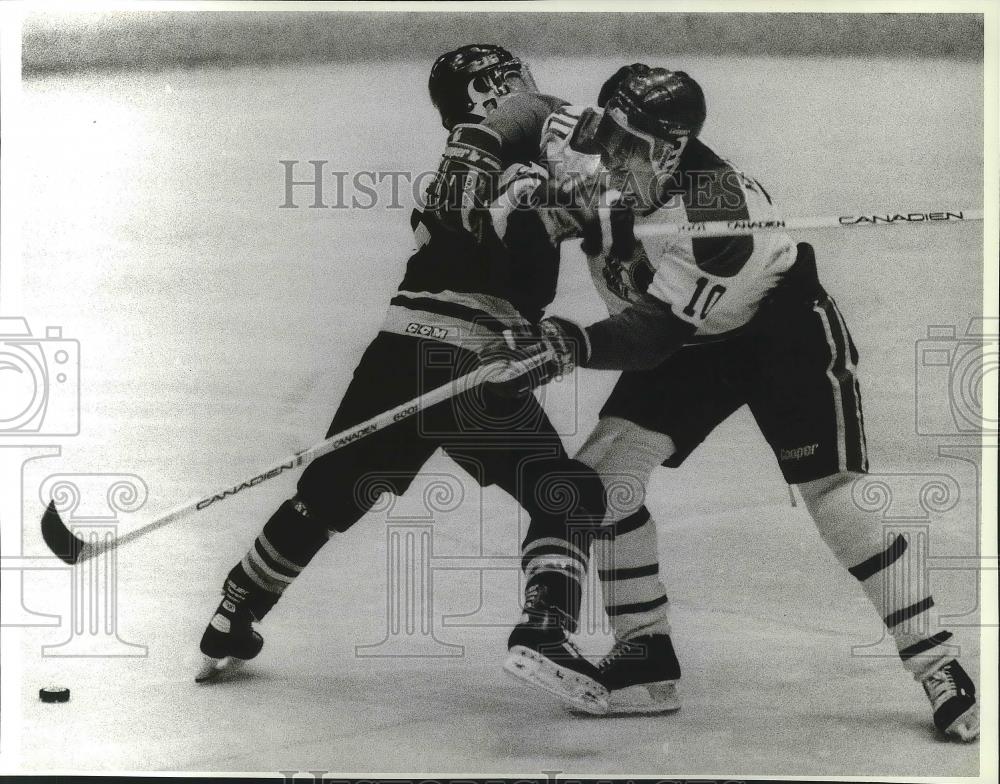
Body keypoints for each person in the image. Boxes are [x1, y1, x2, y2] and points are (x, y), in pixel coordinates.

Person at [489, 64, 979, 740]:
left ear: (671, 147)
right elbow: (521, 112)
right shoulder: (586, 145)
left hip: (779, 331)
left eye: (635, 145)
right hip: (689, 344)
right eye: (613, 137)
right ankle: (644, 660)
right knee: (603, 481)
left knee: (835, 499)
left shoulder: (716, 208)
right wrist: (504, 185)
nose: (617, 157)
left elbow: (653, 335)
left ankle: (939, 664)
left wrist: (569, 344)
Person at [195, 45, 610, 714]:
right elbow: (529, 274)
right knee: (567, 493)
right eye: (516, 79)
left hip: (396, 354)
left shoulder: (446, 174)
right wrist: (573, 204)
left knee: (327, 497)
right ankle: (545, 631)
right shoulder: (519, 166)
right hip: (471, 363)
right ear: (491, 88)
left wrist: (576, 208)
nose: (532, 87)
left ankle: (233, 612)